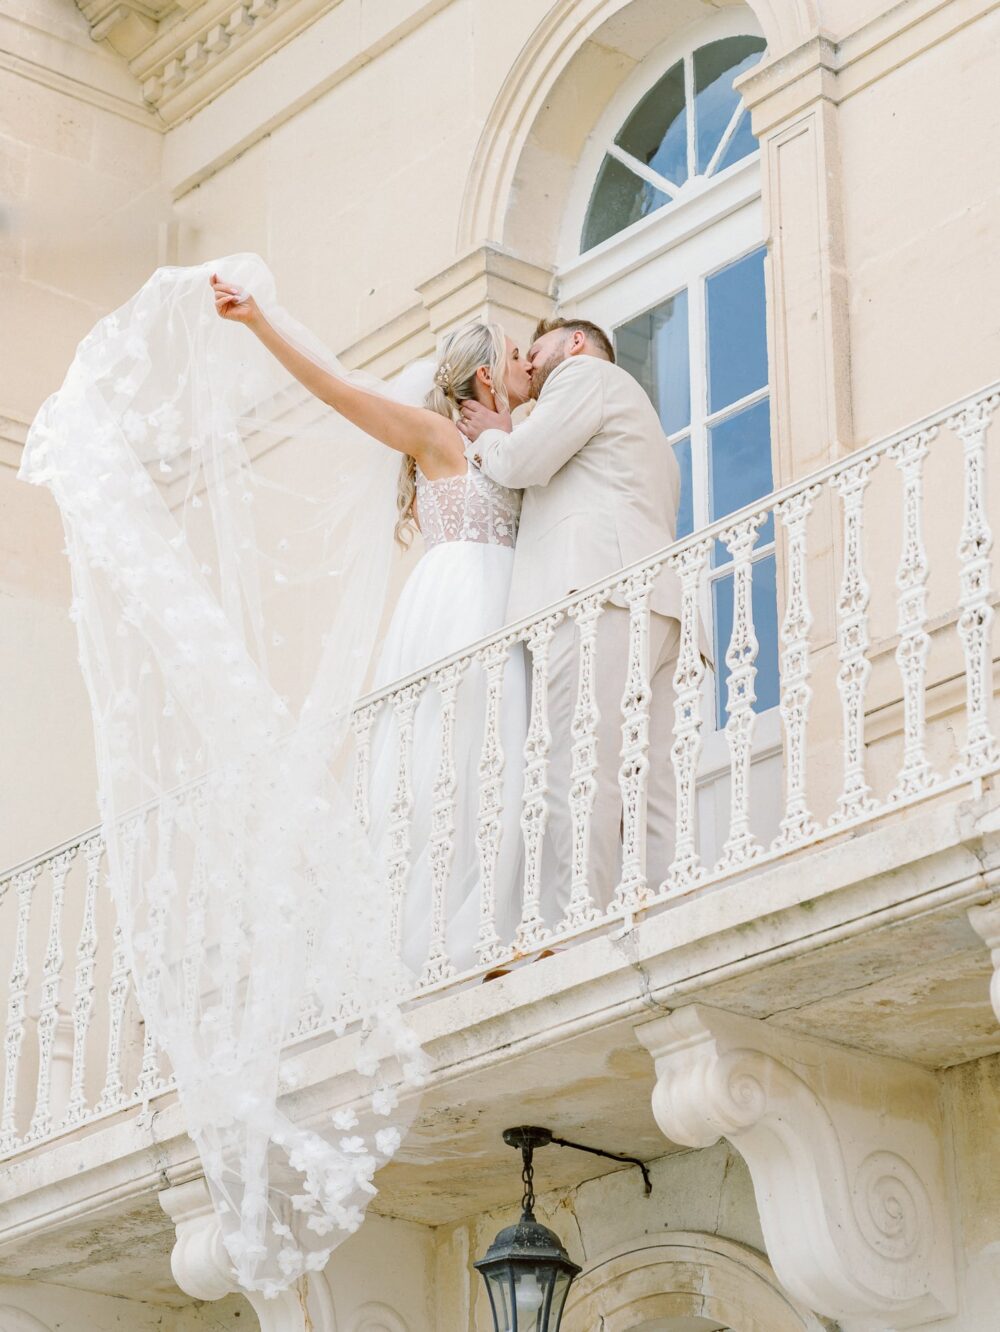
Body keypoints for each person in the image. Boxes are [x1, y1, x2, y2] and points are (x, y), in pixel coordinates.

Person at [211, 276, 530, 976]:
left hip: (512, 599)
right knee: (456, 751)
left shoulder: (522, 439)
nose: (528, 362)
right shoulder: (438, 435)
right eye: (515, 353)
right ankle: (446, 936)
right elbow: (336, 392)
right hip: (461, 598)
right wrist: (261, 323)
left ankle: (501, 921)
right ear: (486, 373)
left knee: (507, 752)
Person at [459, 315, 686, 922]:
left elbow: (521, 462)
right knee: (646, 782)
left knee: (575, 766)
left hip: (594, 592)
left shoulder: (585, 376)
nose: (528, 366)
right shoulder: (644, 427)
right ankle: (660, 912)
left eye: (535, 351)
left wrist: (492, 435)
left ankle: (578, 924)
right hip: (656, 603)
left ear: (576, 343)